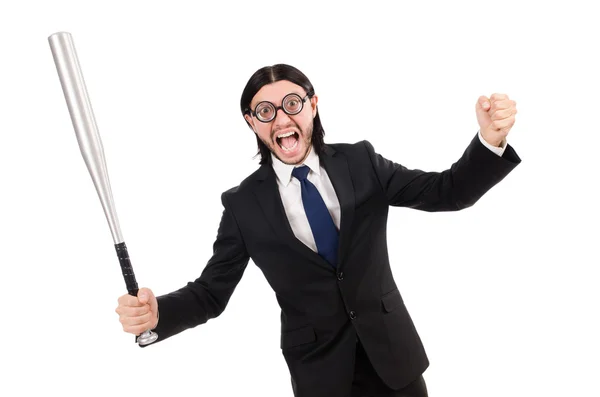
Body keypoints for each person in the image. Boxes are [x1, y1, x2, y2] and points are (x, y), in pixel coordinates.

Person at [115, 64, 520, 397]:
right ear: (252, 123)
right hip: (320, 375)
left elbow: (446, 192)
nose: (281, 118)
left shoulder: (361, 162)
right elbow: (211, 293)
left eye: (292, 103)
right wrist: (157, 314)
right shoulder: (242, 205)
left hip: (395, 362)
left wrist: (489, 141)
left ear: (313, 106)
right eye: (265, 111)